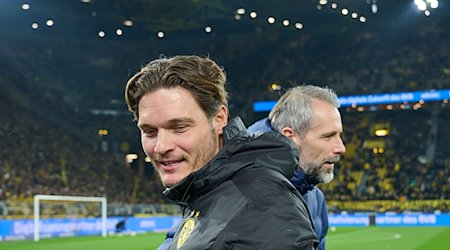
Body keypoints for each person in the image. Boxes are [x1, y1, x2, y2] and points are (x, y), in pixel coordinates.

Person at [125, 55, 318, 249]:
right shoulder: (205, 192)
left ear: (219, 119)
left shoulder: (262, 204)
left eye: (180, 127)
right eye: (150, 132)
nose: (160, 146)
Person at [247, 85, 346, 250]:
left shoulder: (316, 199)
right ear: (290, 137)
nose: (341, 148)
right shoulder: (238, 191)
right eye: (328, 136)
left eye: (339, 135)